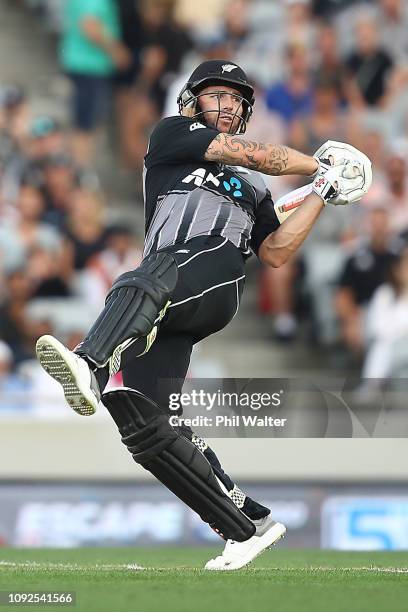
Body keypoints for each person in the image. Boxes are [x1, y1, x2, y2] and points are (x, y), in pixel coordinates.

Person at [35, 60, 370, 570]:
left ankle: (89, 364)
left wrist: (322, 196)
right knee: (145, 424)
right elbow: (262, 156)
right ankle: (246, 526)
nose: (229, 105)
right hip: (166, 291)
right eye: (218, 94)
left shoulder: (254, 190)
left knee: (146, 276)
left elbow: (276, 250)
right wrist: (320, 170)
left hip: (211, 278)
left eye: (236, 99)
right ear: (191, 101)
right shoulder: (173, 136)